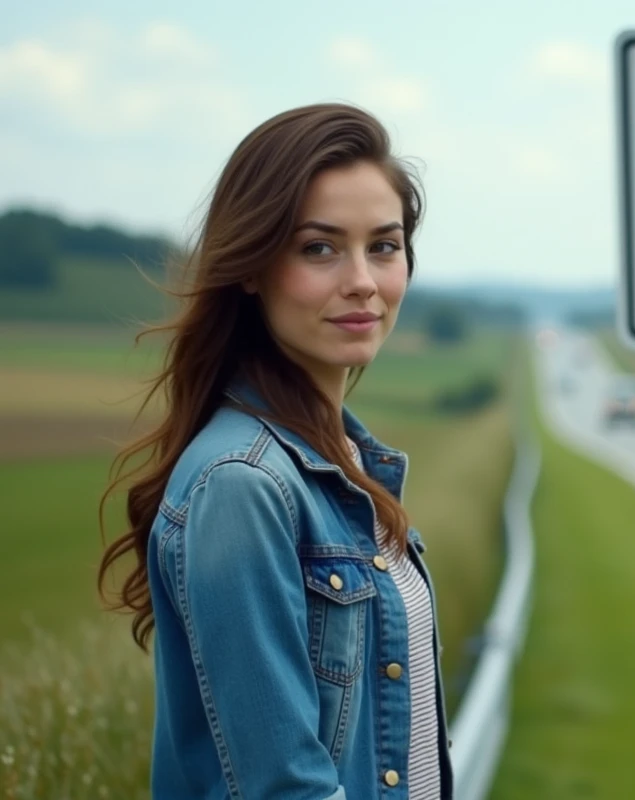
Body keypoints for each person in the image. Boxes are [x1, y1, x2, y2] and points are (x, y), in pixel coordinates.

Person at [98, 103, 452, 799]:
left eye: (383, 246)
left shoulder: (346, 463)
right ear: (252, 267)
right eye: (318, 248)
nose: (362, 281)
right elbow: (281, 786)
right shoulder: (244, 483)